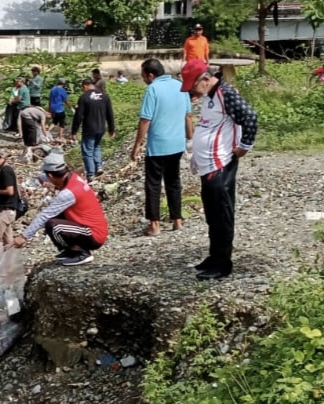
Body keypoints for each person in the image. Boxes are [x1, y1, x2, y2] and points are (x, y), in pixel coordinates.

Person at [182, 59, 259, 281]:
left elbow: (250, 117)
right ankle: (214, 256)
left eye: (193, 86)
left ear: (205, 79)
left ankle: (223, 263)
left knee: (221, 214)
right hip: (207, 164)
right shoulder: (209, 95)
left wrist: (244, 146)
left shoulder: (225, 92)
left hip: (221, 164)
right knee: (211, 213)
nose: (191, 92)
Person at [130, 58, 194, 237]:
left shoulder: (153, 89)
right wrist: (190, 141)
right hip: (177, 143)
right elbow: (188, 116)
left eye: (143, 76)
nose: (143, 79)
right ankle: (177, 221)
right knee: (174, 182)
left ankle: (155, 225)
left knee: (153, 184)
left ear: (150, 75)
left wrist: (137, 145)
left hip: (158, 145)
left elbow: (145, 119)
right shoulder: (180, 86)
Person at [13, 151, 108, 266]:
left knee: (53, 225)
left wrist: (24, 236)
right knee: (53, 220)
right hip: (90, 228)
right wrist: (41, 178)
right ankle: (72, 251)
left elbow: (45, 215)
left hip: (94, 234)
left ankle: (80, 253)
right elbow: (46, 177)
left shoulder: (69, 192)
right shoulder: (73, 176)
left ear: (51, 175)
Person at [74, 77, 116, 181]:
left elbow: (78, 115)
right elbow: (110, 114)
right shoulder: (105, 96)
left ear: (85, 86)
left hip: (89, 128)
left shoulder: (84, 97)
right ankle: (99, 167)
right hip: (101, 128)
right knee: (96, 147)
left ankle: (90, 175)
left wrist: (74, 131)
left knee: (87, 151)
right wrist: (111, 129)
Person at [19, 96, 48, 160]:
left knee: (26, 130)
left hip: (23, 113)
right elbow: (43, 127)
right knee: (32, 129)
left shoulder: (39, 110)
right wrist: (46, 136)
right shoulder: (43, 115)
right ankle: (32, 144)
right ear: (49, 114)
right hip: (27, 114)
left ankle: (26, 143)